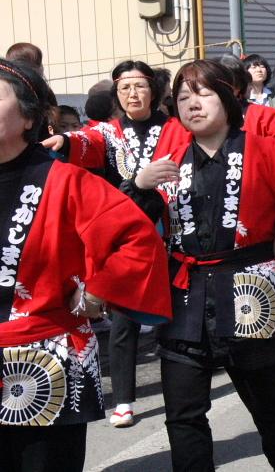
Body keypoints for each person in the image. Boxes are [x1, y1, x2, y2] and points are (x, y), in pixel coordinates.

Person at [125, 59, 275, 471]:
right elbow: (127, 223)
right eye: (183, 97)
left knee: (266, 397)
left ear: (226, 96)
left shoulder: (264, 148)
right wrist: (138, 185)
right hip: (185, 293)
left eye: (202, 93)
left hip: (248, 287)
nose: (192, 104)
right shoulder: (167, 159)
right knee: (183, 413)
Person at [0, 58, 171, 472]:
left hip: (44, 358)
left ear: (28, 117)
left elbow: (136, 237)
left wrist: (99, 287)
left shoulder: (65, 181)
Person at [41, 60, 192, 427]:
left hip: (174, 234)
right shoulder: (107, 133)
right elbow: (84, 141)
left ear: (154, 90)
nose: (133, 94)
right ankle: (123, 398)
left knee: (176, 316)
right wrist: (64, 141)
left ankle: (183, 390)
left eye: (139, 86)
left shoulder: (176, 129)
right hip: (125, 239)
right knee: (123, 317)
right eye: (124, 88)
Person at [216, 54, 275, 161]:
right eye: (254, 67)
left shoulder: (263, 111)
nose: (259, 70)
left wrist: (268, 162)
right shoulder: (200, 116)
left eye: (262, 66)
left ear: (238, 85)